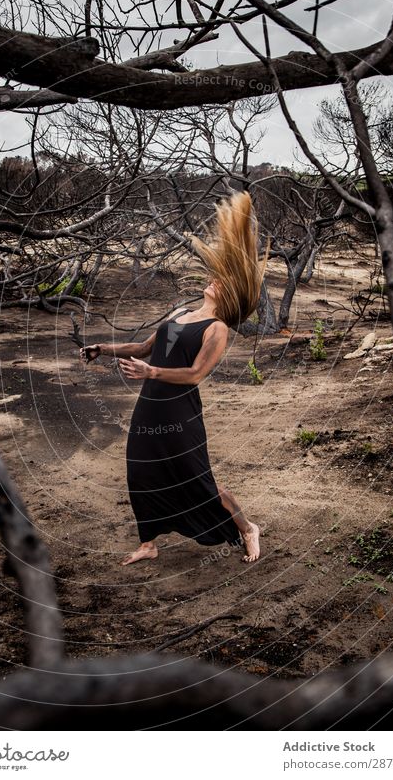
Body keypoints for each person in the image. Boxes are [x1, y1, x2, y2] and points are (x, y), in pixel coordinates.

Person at [80, 190, 269, 566]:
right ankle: (148, 542)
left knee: (196, 478)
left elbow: (195, 374)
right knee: (141, 472)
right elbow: (145, 347)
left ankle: (247, 528)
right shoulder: (183, 312)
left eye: (221, 283)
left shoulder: (217, 329)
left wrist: (151, 373)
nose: (214, 280)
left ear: (229, 297)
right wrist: (104, 348)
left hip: (179, 413)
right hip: (150, 408)